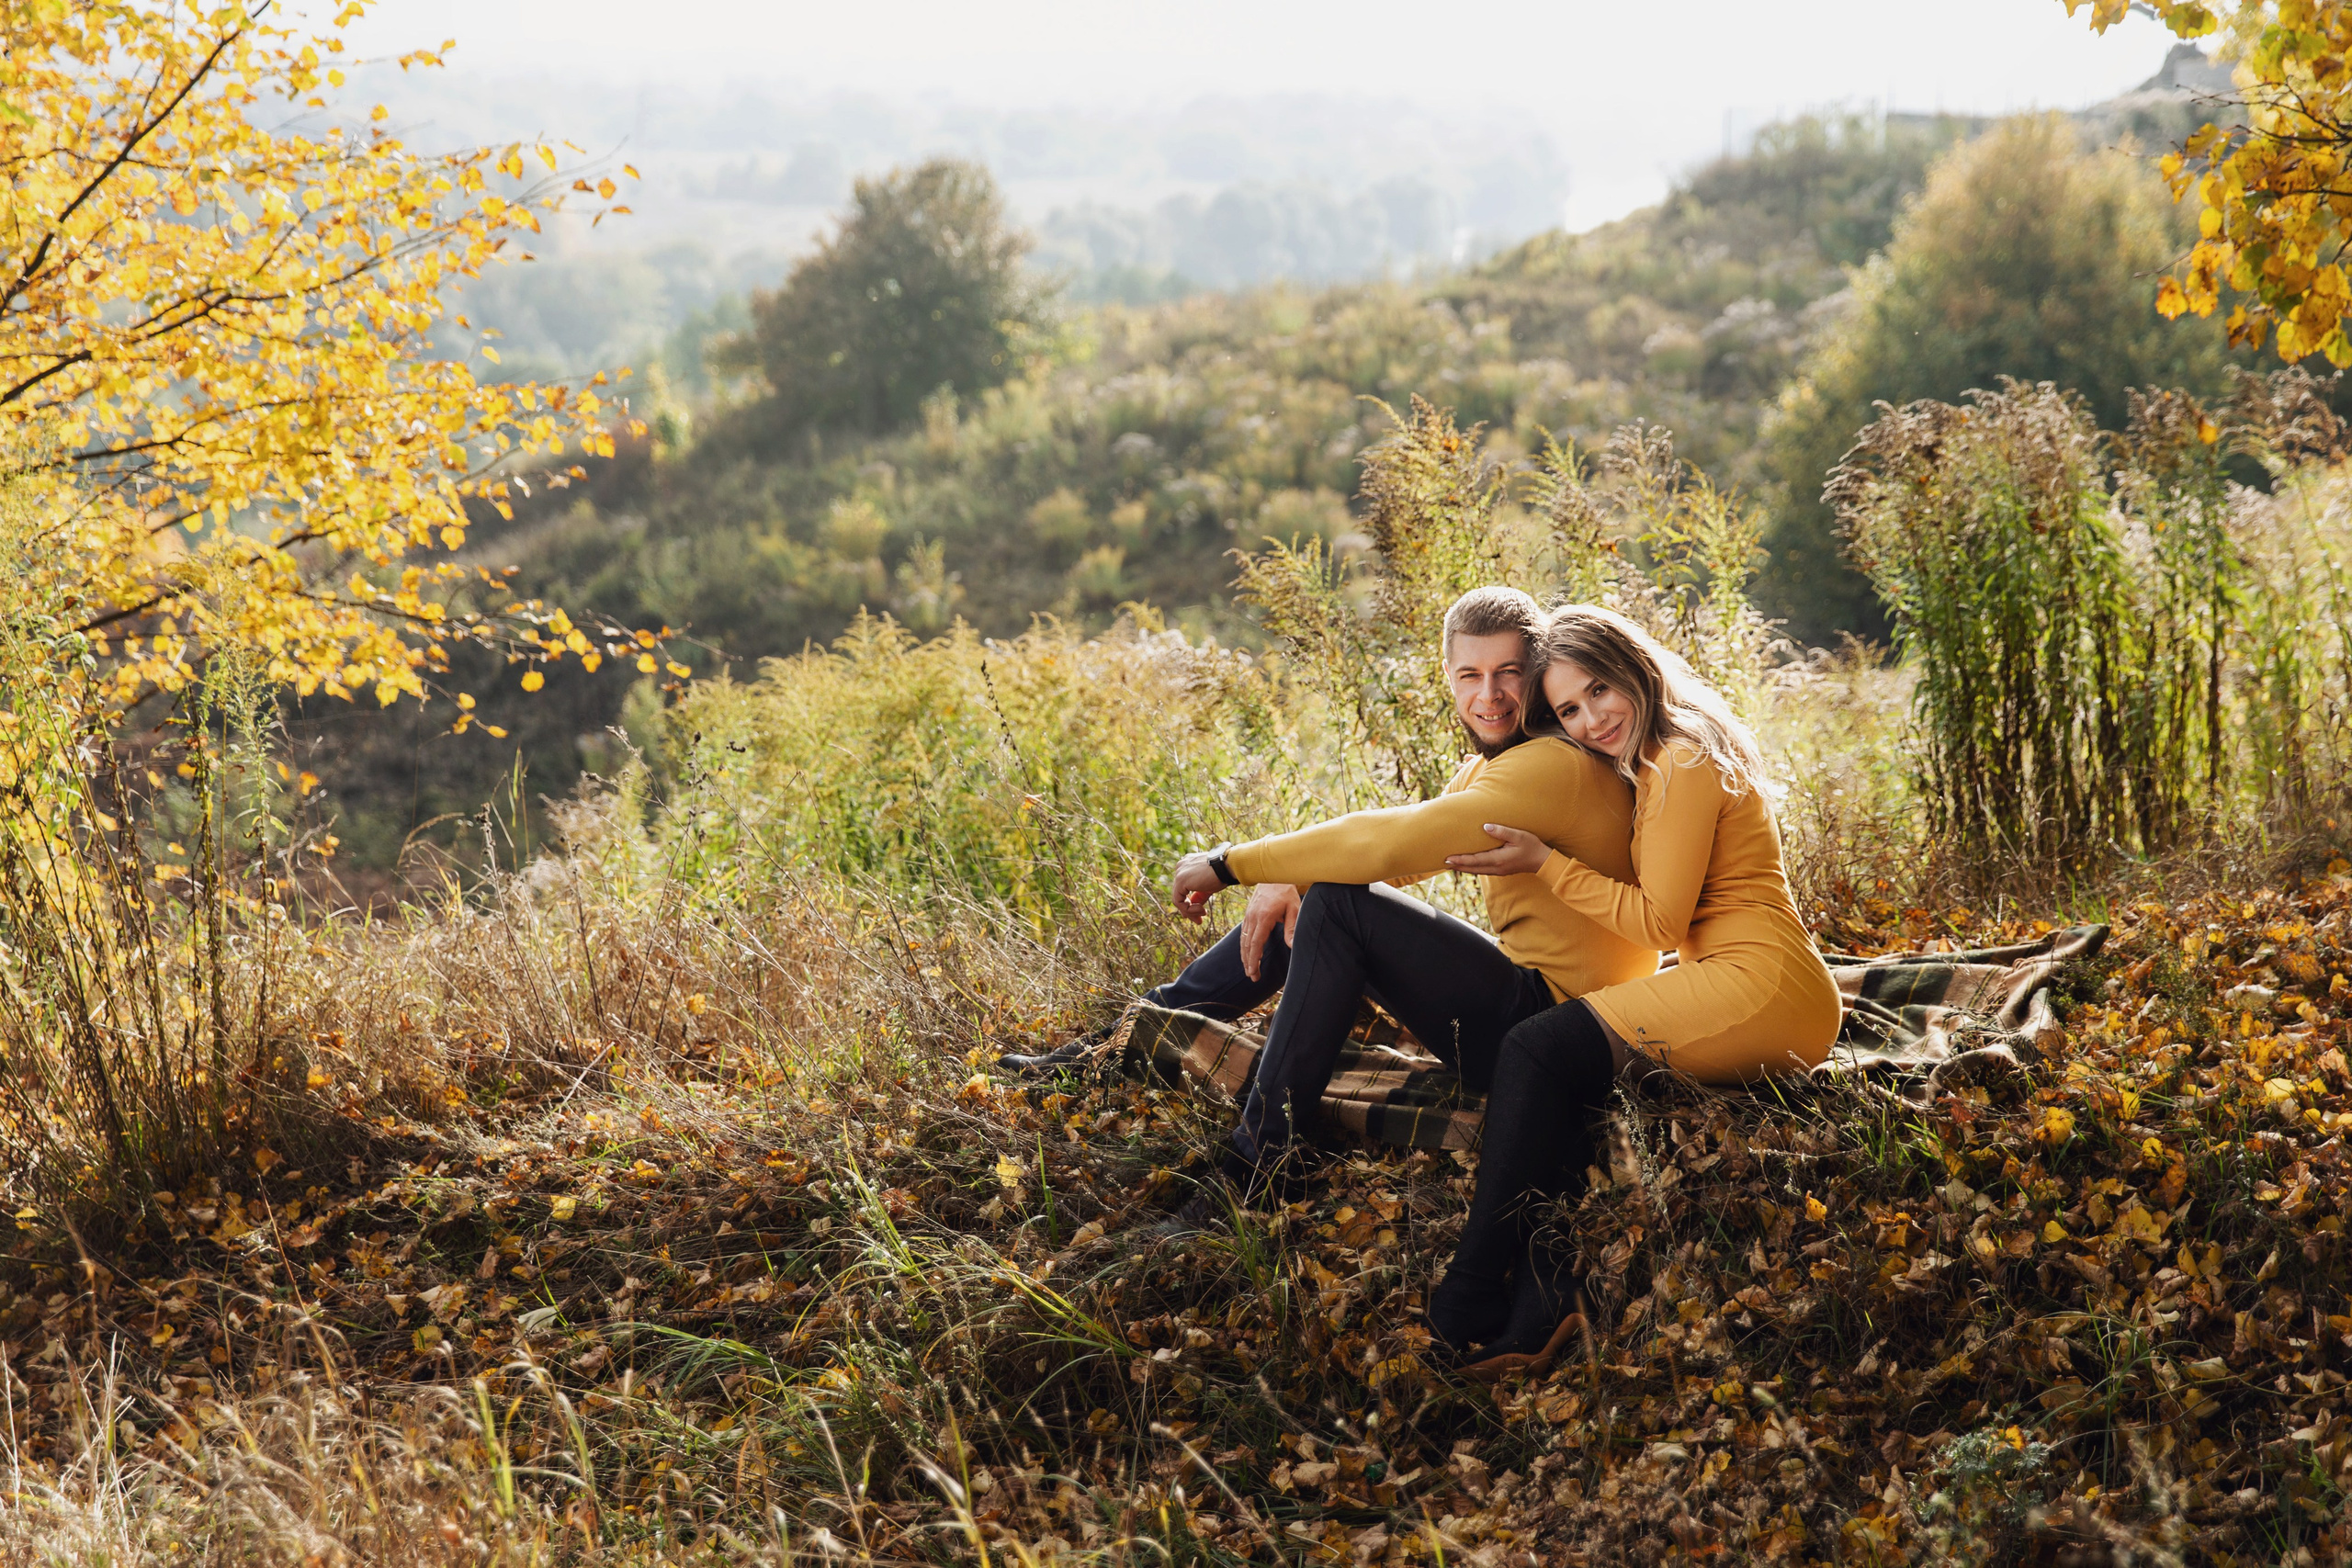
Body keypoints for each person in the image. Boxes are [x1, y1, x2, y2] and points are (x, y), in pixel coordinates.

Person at [1003, 585, 1659, 1230]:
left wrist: (1238, 862)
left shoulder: (1553, 765)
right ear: (1448, 678)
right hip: (1530, 1013)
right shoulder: (1495, 769)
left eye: (1509, 673)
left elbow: (1386, 841)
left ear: (1538, 673)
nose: (1488, 695)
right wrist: (1297, 879)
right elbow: (1407, 850)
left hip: (1560, 1032)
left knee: (1341, 906)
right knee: (1328, 898)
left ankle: (1255, 1168)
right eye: (1470, 674)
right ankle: (1117, 1043)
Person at [1428, 604, 1841, 1374]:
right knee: (1569, 1071)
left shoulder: (1679, 761)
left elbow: (1658, 922)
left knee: (1536, 1048)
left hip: (1767, 987)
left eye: (1598, 692)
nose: (1589, 720)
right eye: (1568, 711)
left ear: (1635, 669)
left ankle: (1470, 1287)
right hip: (1738, 979)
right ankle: (1545, 1297)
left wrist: (1544, 862)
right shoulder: (1654, 757)